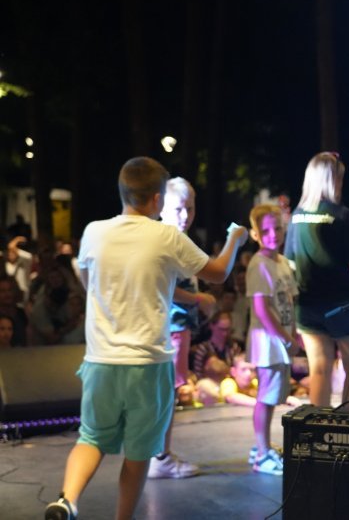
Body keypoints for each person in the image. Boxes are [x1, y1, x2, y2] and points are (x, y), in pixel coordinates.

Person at [44, 157, 247, 520]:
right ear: (156, 199)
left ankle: (67, 499)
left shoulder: (93, 232)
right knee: (138, 453)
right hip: (148, 365)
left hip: (101, 361)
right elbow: (217, 273)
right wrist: (235, 239)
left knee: (91, 438)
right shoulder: (166, 236)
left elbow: (89, 285)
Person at [284, 152, 349, 408]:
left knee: (319, 370)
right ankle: (348, 424)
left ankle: (318, 426)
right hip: (345, 304)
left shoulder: (296, 216)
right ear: (332, 180)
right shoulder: (342, 215)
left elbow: (289, 263)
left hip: (308, 305)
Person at [148, 176, 217, 479]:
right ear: (162, 207)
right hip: (171, 327)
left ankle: (159, 454)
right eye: (179, 208)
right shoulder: (167, 240)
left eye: (190, 208)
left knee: (168, 391)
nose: (185, 215)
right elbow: (164, 286)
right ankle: (159, 456)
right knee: (166, 392)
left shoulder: (177, 239)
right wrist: (199, 299)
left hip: (177, 327)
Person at [246, 203, 300, 476]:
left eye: (277, 228)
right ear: (255, 234)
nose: (273, 234)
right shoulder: (259, 265)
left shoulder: (282, 262)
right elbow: (262, 309)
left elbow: (289, 300)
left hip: (280, 339)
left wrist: (293, 332)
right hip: (269, 343)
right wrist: (286, 337)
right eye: (265, 230)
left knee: (271, 395)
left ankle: (261, 447)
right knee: (266, 397)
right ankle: (262, 452)